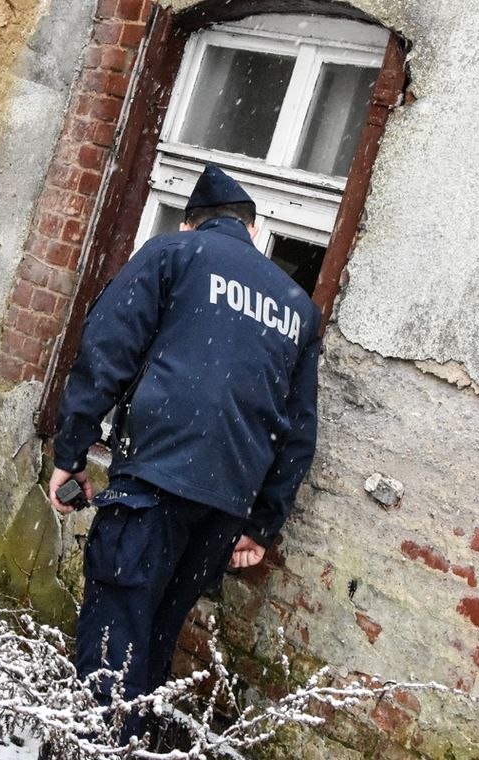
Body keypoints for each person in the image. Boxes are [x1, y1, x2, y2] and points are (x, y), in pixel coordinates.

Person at [47, 164, 321, 743]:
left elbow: (107, 351)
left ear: (194, 221)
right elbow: (298, 431)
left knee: (113, 639)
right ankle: (133, 746)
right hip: (222, 509)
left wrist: (71, 451)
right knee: (156, 639)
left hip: (155, 482)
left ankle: (94, 749)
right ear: (251, 228)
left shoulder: (174, 253)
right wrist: (262, 524)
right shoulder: (296, 304)